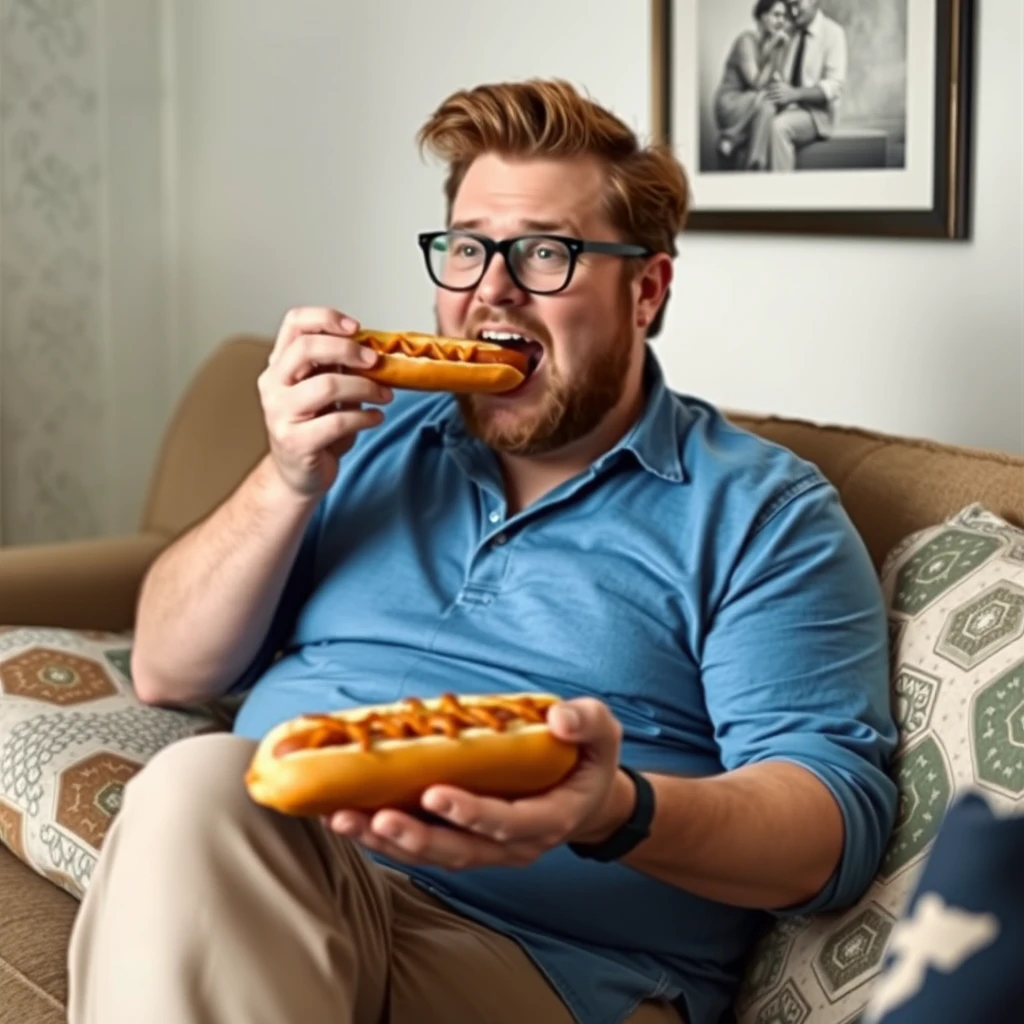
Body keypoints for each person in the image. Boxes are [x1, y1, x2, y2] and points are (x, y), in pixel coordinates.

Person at [66, 78, 897, 1024]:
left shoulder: (759, 510)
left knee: (200, 788)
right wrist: (287, 475)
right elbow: (169, 667)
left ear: (647, 290)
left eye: (545, 253)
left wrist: (610, 807)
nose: (490, 289)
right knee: (200, 785)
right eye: (467, 249)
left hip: (551, 968)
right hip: (293, 888)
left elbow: (832, 832)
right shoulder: (371, 434)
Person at [750, 0, 848, 171]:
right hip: (789, 106)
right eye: (789, 6)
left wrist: (795, 94)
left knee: (779, 126)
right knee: (762, 107)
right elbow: (778, 77)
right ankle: (755, 169)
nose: (792, 12)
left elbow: (834, 86)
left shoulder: (833, 33)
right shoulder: (790, 32)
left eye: (797, 4)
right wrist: (773, 48)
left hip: (817, 114)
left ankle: (781, 190)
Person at [712, 0, 793, 169]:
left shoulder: (770, 45)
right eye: (776, 15)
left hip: (754, 102)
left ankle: (753, 162)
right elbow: (756, 83)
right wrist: (774, 53)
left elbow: (779, 83)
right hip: (731, 104)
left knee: (769, 106)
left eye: (784, 16)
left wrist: (779, 53)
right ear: (762, 16)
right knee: (767, 101)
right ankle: (737, 142)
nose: (781, 21)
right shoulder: (746, 40)